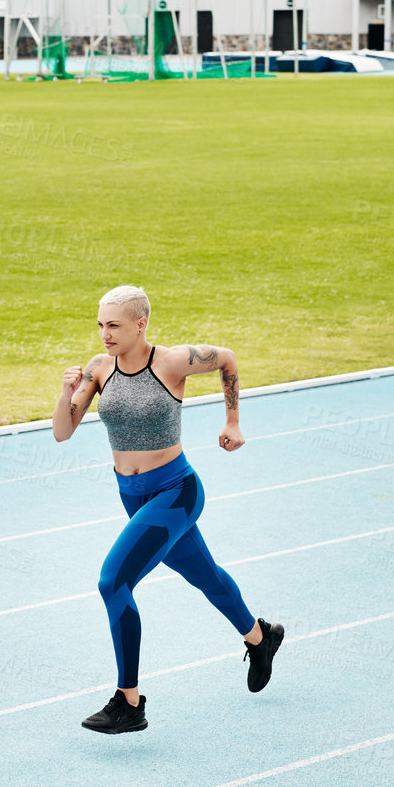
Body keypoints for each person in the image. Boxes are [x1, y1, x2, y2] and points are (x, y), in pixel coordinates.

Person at [53, 284, 283, 734]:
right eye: (100, 324)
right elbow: (63, 432)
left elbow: (228, 358)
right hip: (133, 496)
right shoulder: (100, 369)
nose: (105, 334)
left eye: (114, 325)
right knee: (206, 576)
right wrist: (66, 393)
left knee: (113, 581)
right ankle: (261, 638)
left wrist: (233, 421)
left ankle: (129, 701)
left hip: (176, 492)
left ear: (141, 324)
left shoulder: (172, 362)